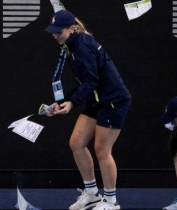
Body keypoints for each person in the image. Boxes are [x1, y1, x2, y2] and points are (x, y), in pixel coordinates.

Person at [44, 10, 132, 210]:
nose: (55, 35)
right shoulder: (70, 45)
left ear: (72, 28)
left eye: (60, 31)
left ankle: (111, 202)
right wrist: (62, 101)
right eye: (53, 31)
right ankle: (92, 195)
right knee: (76, 143)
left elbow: (92, 80)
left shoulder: (82, 46)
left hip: (113, 101)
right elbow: (84, 82)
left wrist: (72, 103)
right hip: (96, 99)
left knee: (102, 150)